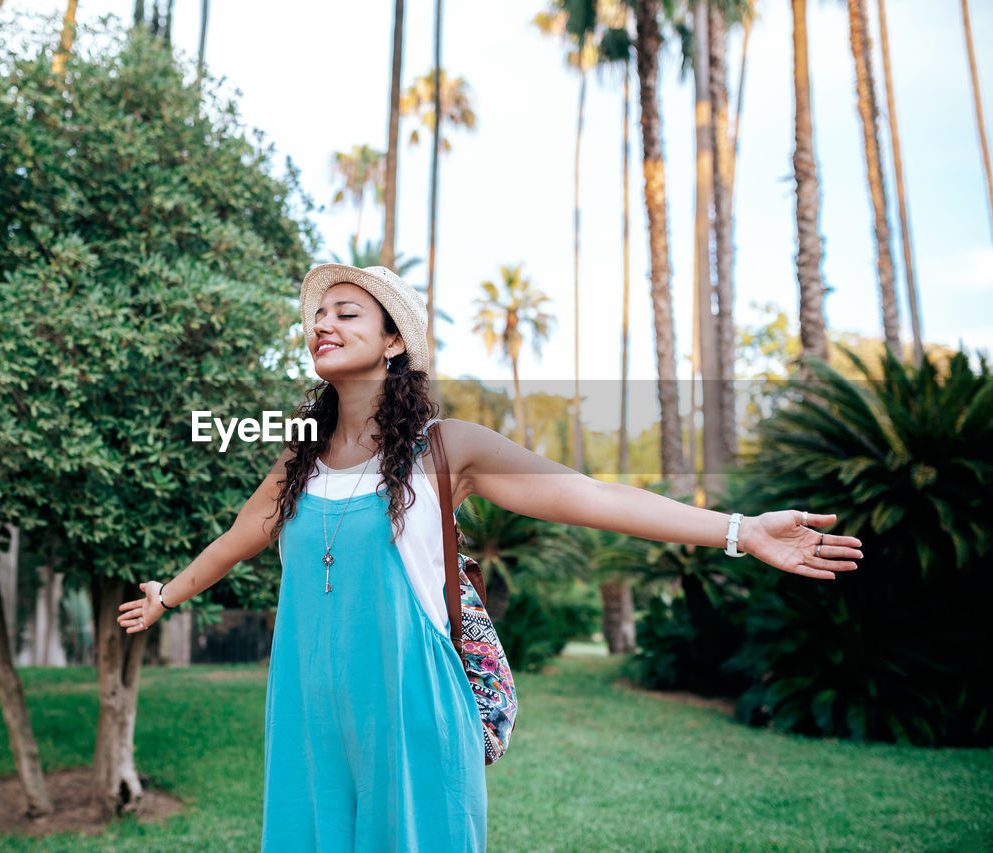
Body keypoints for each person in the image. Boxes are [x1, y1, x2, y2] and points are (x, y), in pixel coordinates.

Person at [116, 263, 864, 852]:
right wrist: (167, 593)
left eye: (346, 313)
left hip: (414, 712)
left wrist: (741, 530)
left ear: (394, 341)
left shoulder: (446, 449)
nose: (322, 324)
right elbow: (243, 533)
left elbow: (595, 497)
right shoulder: (301, 456)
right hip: (310, 713)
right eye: (317, 314)